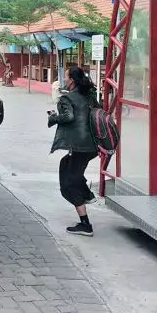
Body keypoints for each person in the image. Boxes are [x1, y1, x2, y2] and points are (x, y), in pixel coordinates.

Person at [48, 65, 100, 236]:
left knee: (69, 184)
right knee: (67, 164)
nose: (64, 79)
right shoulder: (90, 95)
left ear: (71, 80)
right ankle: (86, 193)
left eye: (66, 76)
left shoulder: (67, 98)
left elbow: (68, 116)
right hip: (92, 146)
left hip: (80, 147)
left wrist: (53, 118)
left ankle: (85, 224)